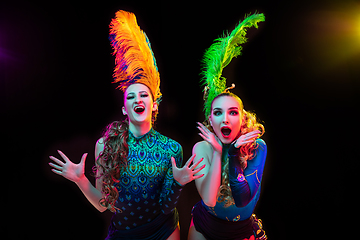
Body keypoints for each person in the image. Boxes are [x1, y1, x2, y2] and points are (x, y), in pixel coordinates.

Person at [49, 10, 204, 240]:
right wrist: (80, 179)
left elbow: (165, 206)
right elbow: (103, 204)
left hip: (164, 231)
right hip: (123, 233)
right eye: (131, 97)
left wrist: (178, 183)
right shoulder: (106, 144)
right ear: (124, 109)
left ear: (154, 106)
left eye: (143, 95)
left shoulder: (172, 149)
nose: (137, 100)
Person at [188, 13, 267, 240]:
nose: (225, 119)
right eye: (218, 113)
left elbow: (243, 198)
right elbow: (210, 200)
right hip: (204, 228)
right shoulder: (202, 149)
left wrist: (232, 154)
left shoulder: (257, 147)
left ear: (242, 119)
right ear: (210, 120)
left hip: (241, 232)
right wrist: (217, 151)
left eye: (232, 112)